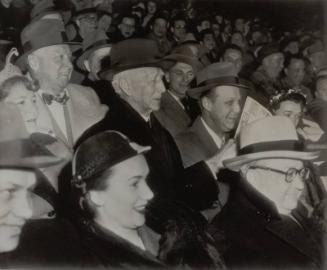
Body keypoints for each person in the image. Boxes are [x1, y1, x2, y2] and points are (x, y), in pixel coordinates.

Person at [80, 38, 226, 212]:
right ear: (126, 86)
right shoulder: (109, 138)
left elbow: (174, 185)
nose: (162, 89)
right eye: (153, 81)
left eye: (162, 80)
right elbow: (156, 201)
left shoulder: (153, 126)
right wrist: (211, 167)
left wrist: (213, 165)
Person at [71, 131, 225, 269]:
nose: (149, 194)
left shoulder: (174, 228)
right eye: (134, 183)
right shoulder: (91, 262)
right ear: (97, 196)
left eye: (146, 179)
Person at [209, 116, 323, 269]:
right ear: (252, 175)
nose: (300, 185)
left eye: (300, 172)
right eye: (289, 173)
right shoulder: (234, 240)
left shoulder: (282, 204)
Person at [175, 62, 248, 219]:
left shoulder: (235, 139)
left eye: (239, 102)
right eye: (229, 103)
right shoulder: (183, 145)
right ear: (207, 104)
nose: (237, 109)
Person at [154, 47, 202, 137]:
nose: (185, 79)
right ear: (167, 77)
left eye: (190, 74)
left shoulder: (196, 103)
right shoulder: (159, 106)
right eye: (179, 73)